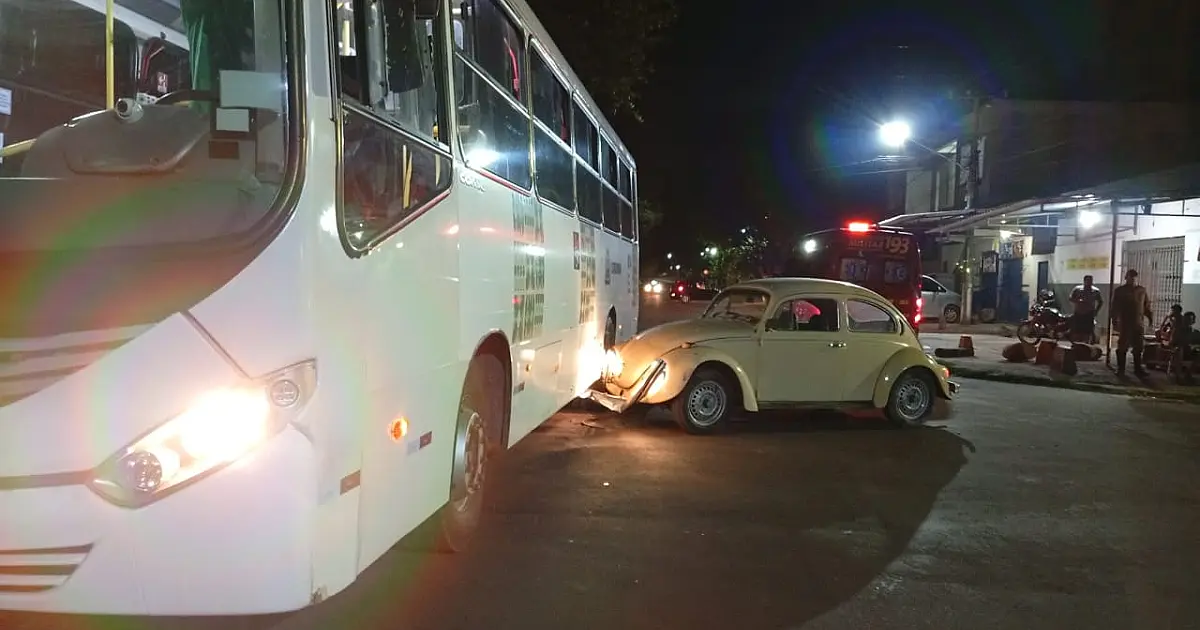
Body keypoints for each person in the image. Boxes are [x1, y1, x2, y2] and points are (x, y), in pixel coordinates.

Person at [1110, 269, 1153, 377]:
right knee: (1122, 347)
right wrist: (1114, 320)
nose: (1133, 279)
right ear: (1126, 277)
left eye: (1134, 277)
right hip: (1125, 323)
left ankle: (1137, 369)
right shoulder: (1120, 291)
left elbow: (1146, 306)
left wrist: (1150, 318)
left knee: (1138, 347)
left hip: (1138, 323)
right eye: (1130, 277)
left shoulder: (1141, 290)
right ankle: (1121, 370)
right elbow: (1115, 307)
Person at [1069, 275, 1103, 343]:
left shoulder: (1095, 291)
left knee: (1087, 331)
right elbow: (1070, 298)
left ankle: (1085, 344)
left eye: (1090, 280)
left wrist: (1096, 311)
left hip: (1089, 313)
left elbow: (1100, 301)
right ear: (1084, 281)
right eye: (1087, 280)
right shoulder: (1078, 289)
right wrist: (1078, 301)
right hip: (1078, 312)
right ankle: (1076, 344)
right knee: (1077, 330)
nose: (1089, 282)